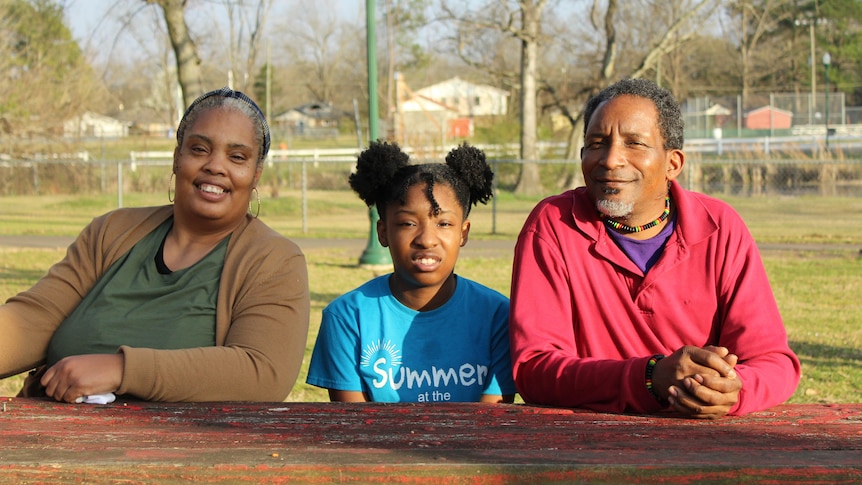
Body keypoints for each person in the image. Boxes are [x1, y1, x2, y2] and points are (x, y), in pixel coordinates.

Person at [509, 78, 800, 418]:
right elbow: (534, 369)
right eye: (597, 143)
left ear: (673, 164)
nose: (611, 159)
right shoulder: (554, 225)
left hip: (703, 444)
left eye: (634, 143)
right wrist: (649, 377)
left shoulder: (720, 228)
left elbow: (774, 363)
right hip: (590, 446)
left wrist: (730, 391)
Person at [0, 87, 310, 403]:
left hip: (178, 447)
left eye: (237, 156)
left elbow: (262, 373)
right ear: (177, 158)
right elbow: (33, 318)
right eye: (199, 149)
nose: (215, 166)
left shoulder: (274, 260)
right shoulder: (111, 232)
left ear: (255, 174)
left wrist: (121, 370)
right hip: (51, 438)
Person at [306, 141, 516, 403]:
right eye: (407, 223)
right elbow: (356, 429)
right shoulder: (347, 318)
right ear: (383, 232)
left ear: (463, 232)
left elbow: (489, 425)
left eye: (444, 223)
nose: (426, 239)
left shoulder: (499, 317)